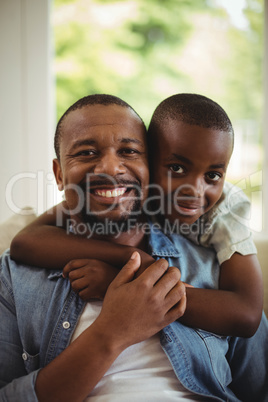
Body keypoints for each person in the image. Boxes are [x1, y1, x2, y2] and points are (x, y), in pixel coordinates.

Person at [4, 94, 267, 400]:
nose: (111, 167)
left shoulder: (217, 264)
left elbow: (257, 382)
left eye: (129, 151)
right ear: (60, 174)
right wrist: (113, 329)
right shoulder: (14, 278)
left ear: (147, 164)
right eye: (87, 152)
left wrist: (141, 276)